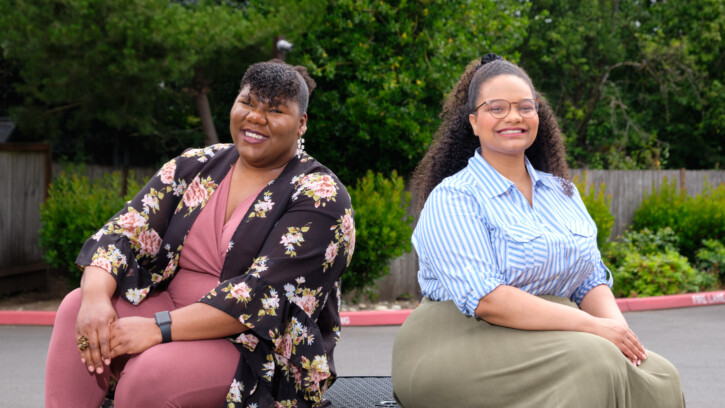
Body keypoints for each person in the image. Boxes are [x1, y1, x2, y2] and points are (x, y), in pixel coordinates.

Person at [45, 60, 356, 408]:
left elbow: (260, 297)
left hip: (253, 345)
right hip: (171, 305)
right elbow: (124, 230)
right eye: (248, 103)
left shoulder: (320, 195)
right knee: (77, 307)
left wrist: (156, 329)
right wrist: (95, 300)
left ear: (301, 124)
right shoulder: (196, 164)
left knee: (152, 373)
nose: (255, 117)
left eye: (275, 110)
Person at [391, 54, 684, 407]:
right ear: (473, 122)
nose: (513, 116)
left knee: (660, 373)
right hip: (456, 340)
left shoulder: (563, 192)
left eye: (525, 107)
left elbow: (589, 280)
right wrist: (593, 329)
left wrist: (620, 334)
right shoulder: (455, 196)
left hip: (555, 335)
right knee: (593, 361)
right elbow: (488, 300)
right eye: (496, 108)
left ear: (538, 117)